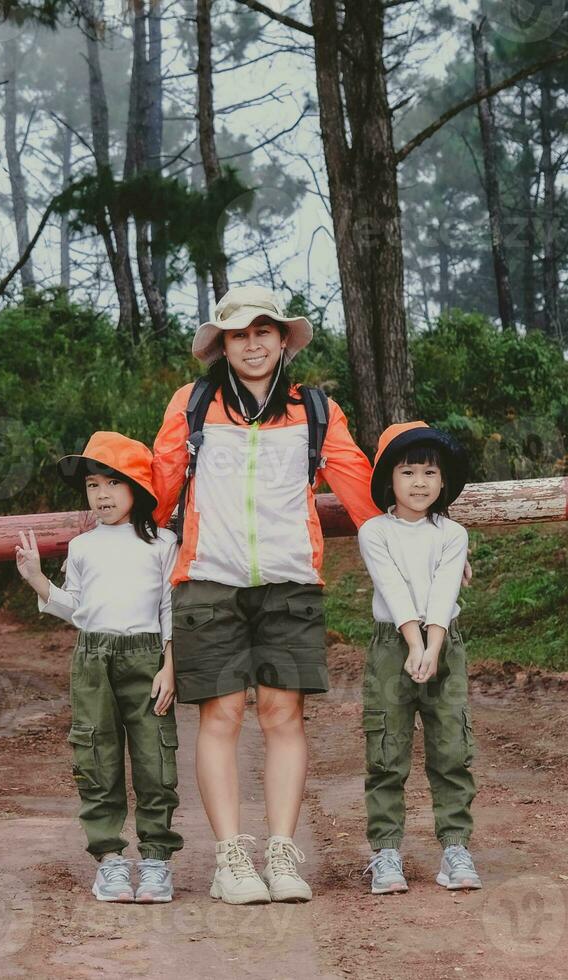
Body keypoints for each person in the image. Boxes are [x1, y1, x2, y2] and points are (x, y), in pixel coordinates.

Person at [152, 284, 383, 904]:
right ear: (222, 345)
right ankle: (231, 860)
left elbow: (361, 492)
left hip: (290, 584)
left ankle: (282, 854)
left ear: (284, 340)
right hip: (207, 581)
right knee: (221, 716)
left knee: (284, 715)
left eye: (264, 332)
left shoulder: (316, 410)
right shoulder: (192, 404)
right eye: (238, 334)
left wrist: (419, 548)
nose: (252, 344)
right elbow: (161, 489)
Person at [16, 431, 182, 903]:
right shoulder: (83, 547)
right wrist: (37, 581)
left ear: (138, 490)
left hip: (148, 657)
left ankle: (155, 861)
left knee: (154, 758)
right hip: (93, 657)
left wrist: (170, 666)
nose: (102, 495)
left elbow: (171, 609)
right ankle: (109, 860)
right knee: (96, 755)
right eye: (93, 485)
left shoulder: (162, 543)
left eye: (113, 483)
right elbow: (79, 610)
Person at [356, 421, 481, 895]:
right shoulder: (375, 532)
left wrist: (433, 645)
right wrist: (414, 644)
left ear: (443, 481)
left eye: (430, 472)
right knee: (387, 749)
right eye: (408, 472)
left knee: (451, 745)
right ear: (390, 479)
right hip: (394, 645)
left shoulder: (453, 534)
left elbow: (445, 590)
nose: (420, 483)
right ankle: (386, 852)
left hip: (443, 641)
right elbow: (393, 589)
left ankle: (455, 847)